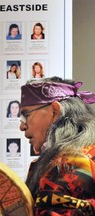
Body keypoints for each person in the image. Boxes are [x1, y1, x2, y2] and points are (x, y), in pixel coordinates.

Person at [20, 76, 95, 215]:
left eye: (26, 115)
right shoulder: (88, 153)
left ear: (55, 111)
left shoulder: (69, 163)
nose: (22, 126)